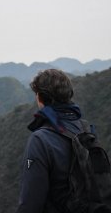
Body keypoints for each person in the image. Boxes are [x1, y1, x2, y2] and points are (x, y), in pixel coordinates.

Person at [16, 69, 97, 213]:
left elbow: (30, 203)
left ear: (40, 98)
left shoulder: (40, 140)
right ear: (68, 95)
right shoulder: (86, 129)